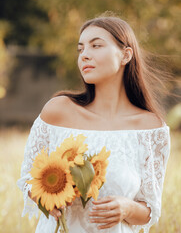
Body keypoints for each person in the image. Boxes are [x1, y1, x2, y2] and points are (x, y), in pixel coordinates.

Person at [17, 13, 170, 233]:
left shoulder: (151, 128)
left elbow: (150, 209)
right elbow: (27, 181)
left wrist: (126, 208)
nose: (85, 55)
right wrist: (50, 193)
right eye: (81, 49)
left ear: (126, 55)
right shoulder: (57, 110)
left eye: (96, 46)